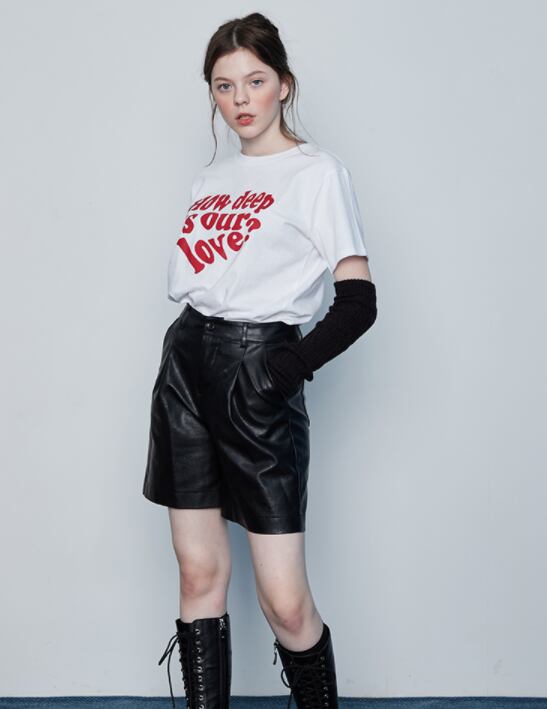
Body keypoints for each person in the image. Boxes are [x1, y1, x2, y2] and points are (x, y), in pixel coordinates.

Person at [143, 12, 377, 709]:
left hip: (256, 369)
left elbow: (358, 302)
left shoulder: (316, 174)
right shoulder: (211, 179)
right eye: (224, 86)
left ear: (284, 84)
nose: (240, 98)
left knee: (283, 600)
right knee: (197, 575)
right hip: (185, 366)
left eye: (254, 80)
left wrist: (280, 372)